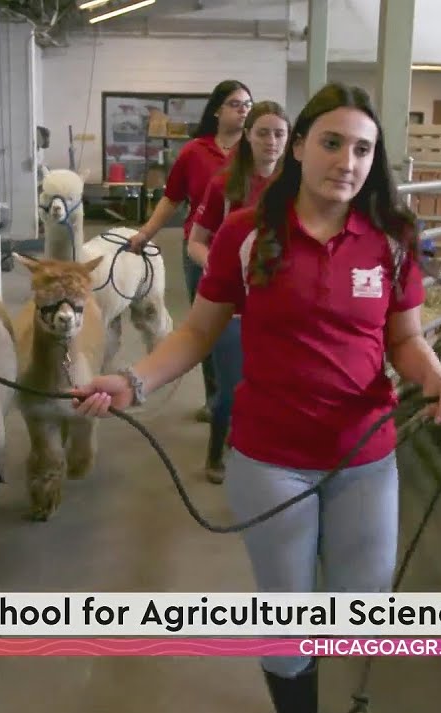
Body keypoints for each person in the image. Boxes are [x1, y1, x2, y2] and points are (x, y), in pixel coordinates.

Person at [71, 82, 441, 713]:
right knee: (287, 619)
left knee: (361, 602)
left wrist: (436, 376)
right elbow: (199, 330)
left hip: (363, 451)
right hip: (271, 457)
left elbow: (406, 338)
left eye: (363, 149)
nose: (347, 161)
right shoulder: (245, 233)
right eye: (332, 143)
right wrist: (134, 380)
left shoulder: (391, 237)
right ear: (301, 147)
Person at [127, 79, 253, 422]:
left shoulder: (257, 150)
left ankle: (245, 397)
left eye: (247, 105)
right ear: (217, 110)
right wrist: (146, 233)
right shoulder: (195, 152)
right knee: (207, 328)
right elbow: (172, 198)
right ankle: (216, 401)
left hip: (250, 256)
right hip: (202, 249)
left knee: (248, 327)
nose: (242, 110)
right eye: (235, 104)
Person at [185, 100, 289, 484]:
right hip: (233, 307)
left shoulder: (297, 188)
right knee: (232, 388)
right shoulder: (225, 185)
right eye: (263, 132)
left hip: (280, 308)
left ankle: (260, 452)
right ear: (247, 136)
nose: (272, 141)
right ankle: (217, 453)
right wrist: (221, 268)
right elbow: (196, 242)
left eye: (280, 133)